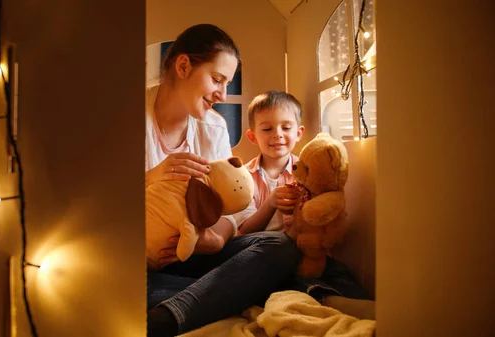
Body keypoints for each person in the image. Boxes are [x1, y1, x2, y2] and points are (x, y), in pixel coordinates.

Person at [145, 25, 301, 336]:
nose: (223, 94)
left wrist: (212, 240)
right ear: (184, 65)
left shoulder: (213, 127)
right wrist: (149, 177)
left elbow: (234, 209)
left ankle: (167, 314)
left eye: (227, 83)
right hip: (140, 260)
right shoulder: (127, 115)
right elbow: (97, 204)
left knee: (280, 246)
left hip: (194, 255)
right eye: (217, 79)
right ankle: (218, 295)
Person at [234, 90, 375, 319]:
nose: (277, 135)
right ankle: (327, 300)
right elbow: (244, 231)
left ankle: (362, 303)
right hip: (267, 258)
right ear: (252, 136)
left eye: (286, 128)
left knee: (337, 271)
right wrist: (270, 204)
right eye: (267, 129)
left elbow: (327, 210)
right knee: (283, 281)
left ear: (299, 132)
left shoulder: (310, 171)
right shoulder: (245, 177)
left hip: (309, 253)